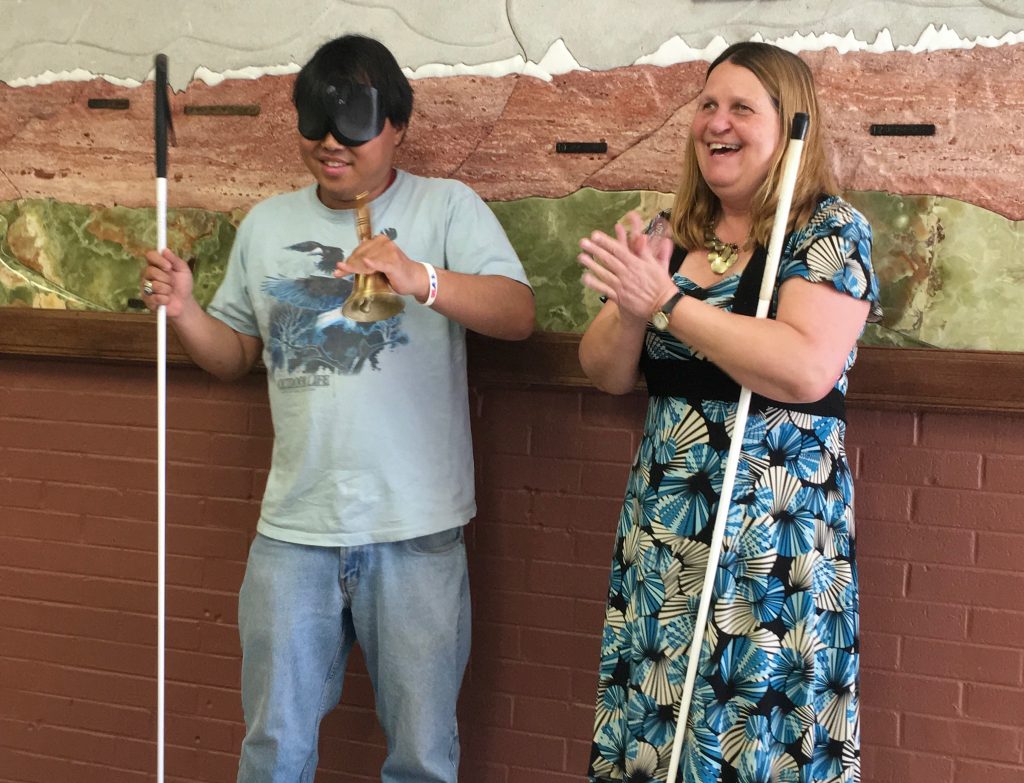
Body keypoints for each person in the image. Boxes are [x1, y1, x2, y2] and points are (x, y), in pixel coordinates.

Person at [140, 34, 534, 783]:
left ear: (397, 127)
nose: (329, 139)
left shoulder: (446, 206)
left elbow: (517, 313)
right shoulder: (263, 225)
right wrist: (186, 310)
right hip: (294, 531)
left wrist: (422, 277)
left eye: (351, 118)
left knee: (422, 756)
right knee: (273, 748)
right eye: (314, 118)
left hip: (416, 528)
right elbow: (233, 357)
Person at [576, 41, 880, 783]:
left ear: (789, 128)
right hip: (666, 537)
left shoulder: (828, 230)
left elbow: (806, 366)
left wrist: (670, 306)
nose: (719, 122)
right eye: (708, 105)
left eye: (743, 107)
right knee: (656, 726)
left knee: (754, 728)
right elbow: (605, 372)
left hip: (773, 547)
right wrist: (630, 307)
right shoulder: (673, 229)